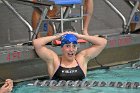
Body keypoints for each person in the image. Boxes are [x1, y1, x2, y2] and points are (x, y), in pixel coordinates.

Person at [33, 31, 107, 81]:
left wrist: (80, 36)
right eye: (67, 46)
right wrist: (56, 37)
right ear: (62, 47)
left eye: (74, 46)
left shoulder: (81, 59)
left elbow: (103, 42)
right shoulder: (55, 61)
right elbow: (36, 43)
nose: (71, 49)